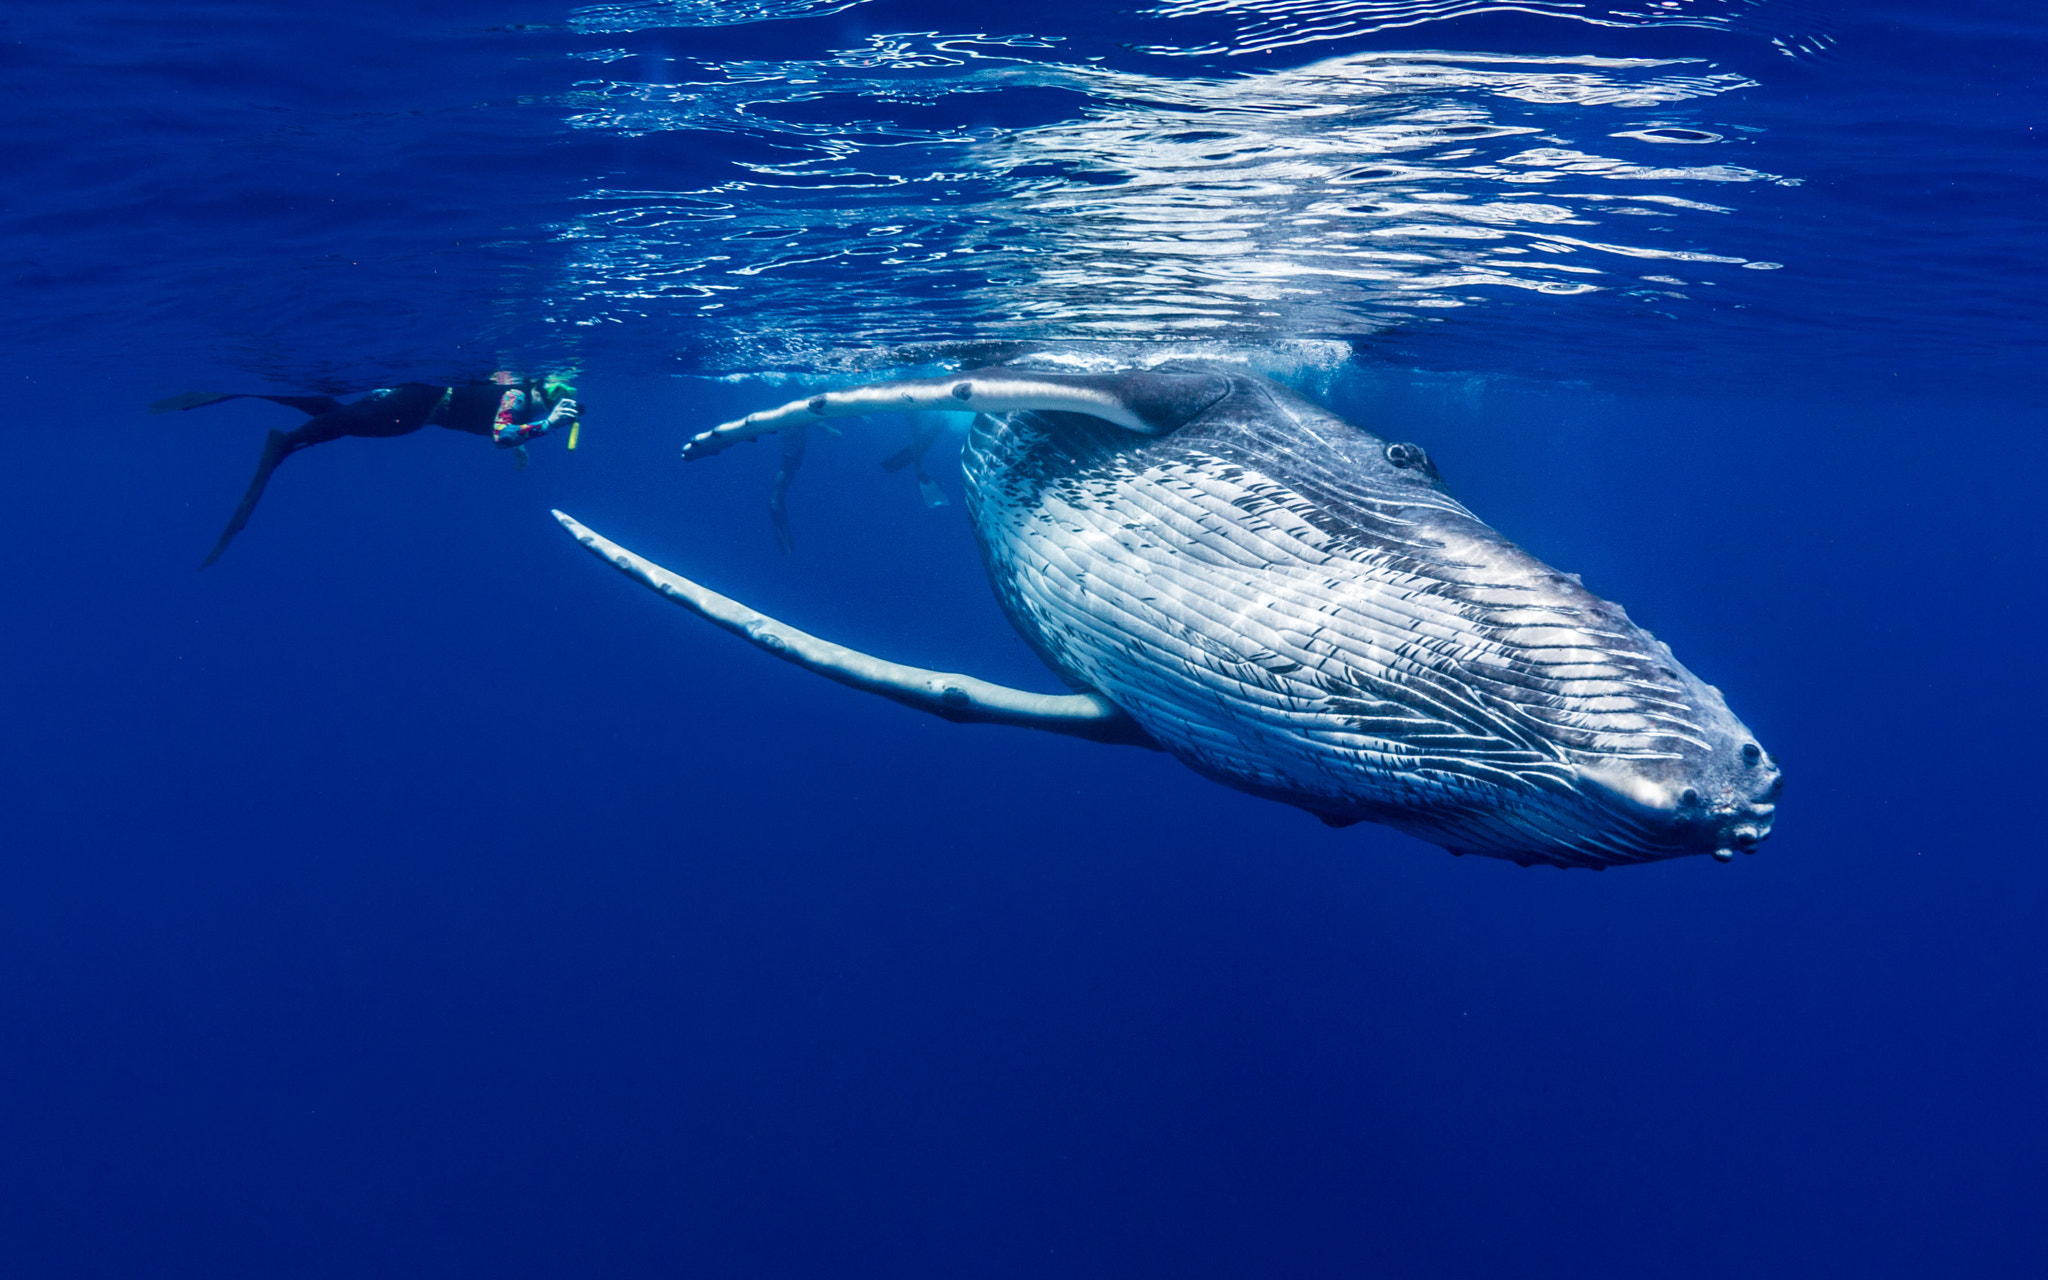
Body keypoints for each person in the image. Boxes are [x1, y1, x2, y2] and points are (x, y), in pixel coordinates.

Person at [154, 372, 580, 566]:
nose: (558, 396)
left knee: (344, 421)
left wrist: (523, 441)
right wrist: (545, 426)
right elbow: (502, 432)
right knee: (346, 423)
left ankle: (268, 401)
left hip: (416, 407)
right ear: (541, 384)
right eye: (558, 388)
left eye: (566, 394)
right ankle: (284, 441)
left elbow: (503, 430)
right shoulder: (518, 394)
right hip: (416, 406)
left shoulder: (517, 399)